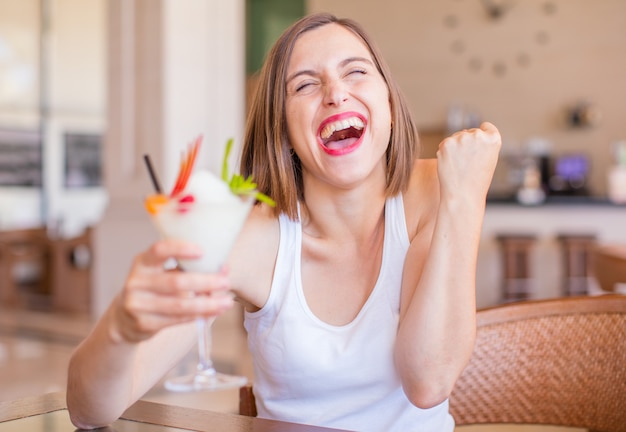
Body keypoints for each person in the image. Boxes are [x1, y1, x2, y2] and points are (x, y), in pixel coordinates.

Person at [67, 12, 501, 432]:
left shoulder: (436, 190)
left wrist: (464, 198)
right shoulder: (252, 239)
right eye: (306, 84)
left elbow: (427, 381)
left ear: (388, 102)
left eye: (355, 73)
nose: (335, 93)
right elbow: (90, 411)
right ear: (283, 128)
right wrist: (121, 330)